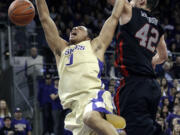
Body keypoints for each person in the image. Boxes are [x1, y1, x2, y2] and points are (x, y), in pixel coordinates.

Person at [35, 0, 126, 134]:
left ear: (88, 37)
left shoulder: (95, 45)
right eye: (73, 28)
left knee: (90, 117)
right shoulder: (61, 49)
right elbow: (45, 19)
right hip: (76, 110)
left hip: (94, 96)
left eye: (79, 28)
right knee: (93, 123)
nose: (74, 28)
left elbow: (114, 17)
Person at [108, 0, 168, 135]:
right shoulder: (158, 25)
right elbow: (163, 56)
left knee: (131, 130)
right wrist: (151, 60)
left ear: (142, 1)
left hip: (134, 85)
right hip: (152, 86)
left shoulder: (129, 10)